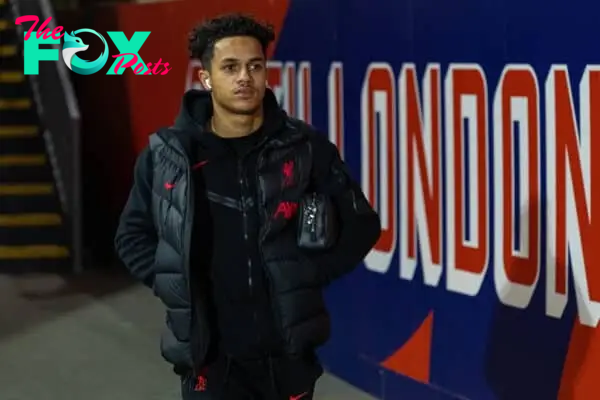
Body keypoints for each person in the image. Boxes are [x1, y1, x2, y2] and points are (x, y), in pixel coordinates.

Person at [114, 13, 381, 400]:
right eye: (230, 67)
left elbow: (361, 225)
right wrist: (176, 283)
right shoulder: (169, 156)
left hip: (286, 358)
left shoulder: (305, 147)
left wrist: (310, 273)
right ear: (206, 79)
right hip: (210, 358)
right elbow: (131, 236)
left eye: (255, 66)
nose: (245, 77)